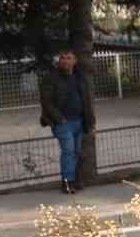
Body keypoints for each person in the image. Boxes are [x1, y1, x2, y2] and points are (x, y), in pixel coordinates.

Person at [38, 48, 96, 195]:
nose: (65, 60)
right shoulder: (51, 78)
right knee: (68, 151)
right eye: (62, 58)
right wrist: (60, 119)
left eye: (69, 58)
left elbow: (86, 100)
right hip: (63, 123)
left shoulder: (79, 77)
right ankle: (67, 182)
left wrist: (90, 120)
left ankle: (74, 179)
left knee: (76, 152)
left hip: (79, 120)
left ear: (75, 61)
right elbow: (46, 102)